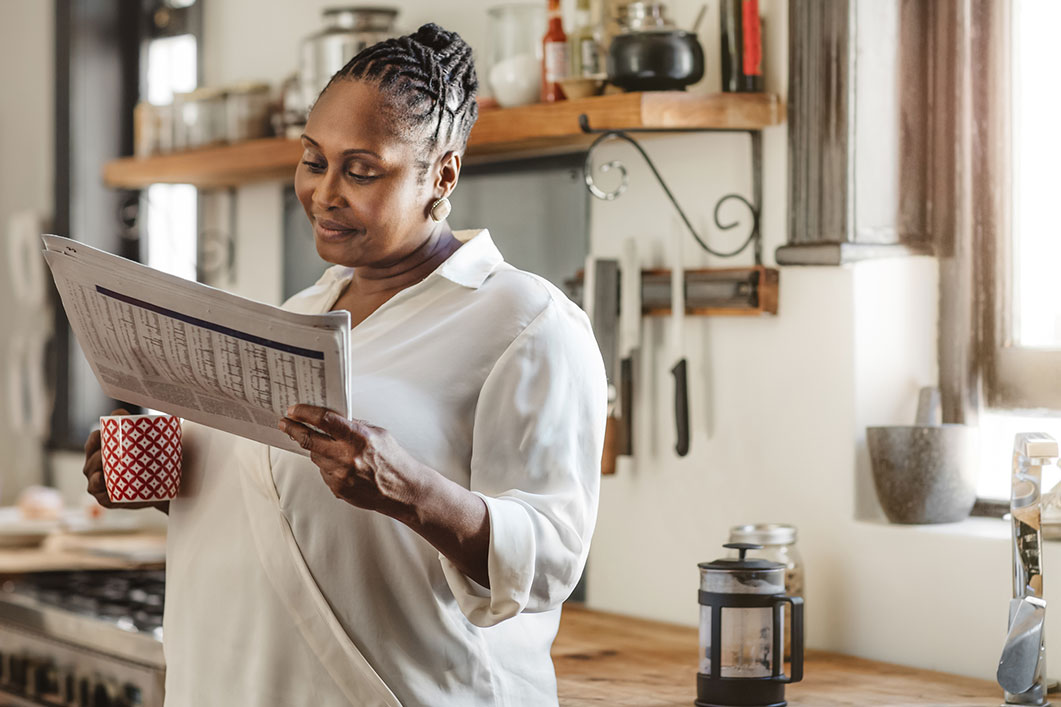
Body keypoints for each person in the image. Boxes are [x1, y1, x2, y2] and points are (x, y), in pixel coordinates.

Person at [81, 23, 607, 706]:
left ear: (440, 173)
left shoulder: (525, 321)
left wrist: (411, 490)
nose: (326, 191)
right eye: (312, 159)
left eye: (361, 170)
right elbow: (288, 508)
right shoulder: (302, 312)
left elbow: (550, 559)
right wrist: (177, 481)